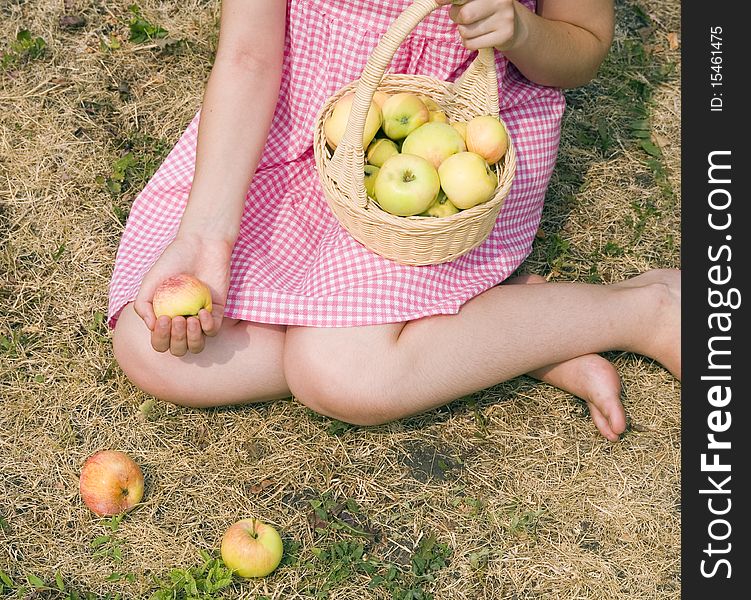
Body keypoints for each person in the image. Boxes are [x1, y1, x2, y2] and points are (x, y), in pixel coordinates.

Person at [109, 0, 680, 442]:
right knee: (152, 346)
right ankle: (485, 332)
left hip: (445, 145)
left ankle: (646, 310)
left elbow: (583, 46)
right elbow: (248, 56)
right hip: (299, 130)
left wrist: (520, 29)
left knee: (342, 374)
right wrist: (205, 236)